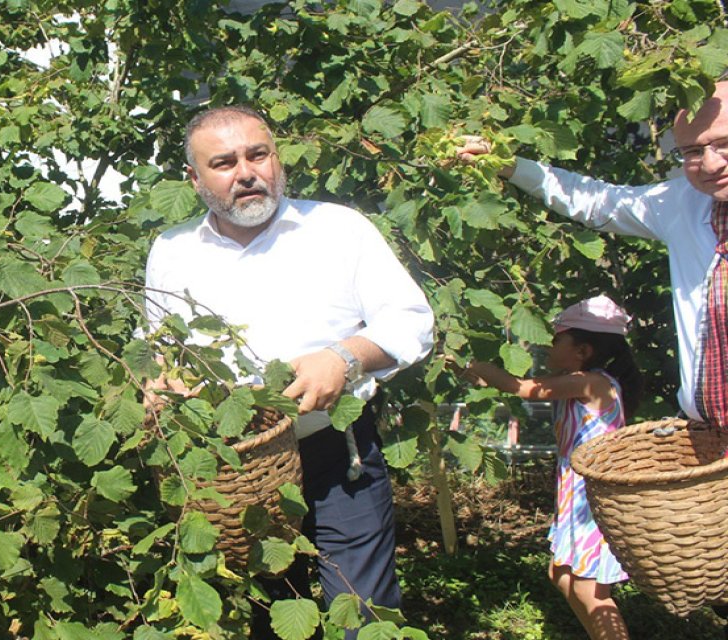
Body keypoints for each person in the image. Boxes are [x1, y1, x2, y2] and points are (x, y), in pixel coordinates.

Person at [144, 106, 435, 637]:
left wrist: (344, 357)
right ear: (194, 178)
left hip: (338, 456)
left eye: (258, 155)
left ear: (276, 158)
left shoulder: (338, 229)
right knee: (269, 615)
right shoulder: (172, 250)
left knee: (364, 613)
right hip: (236, 471)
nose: (246, 173)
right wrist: (159, 381)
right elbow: (161, 348)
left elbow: (412, 320)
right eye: (224, 163)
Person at [455, 80, 728, 428]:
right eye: (692, 151)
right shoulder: (682, 204)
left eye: (723, 144)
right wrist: (504, 163)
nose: (710, 164)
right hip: (712, 436)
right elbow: (597, 201)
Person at [456, 295, 643, 640]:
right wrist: (466, 371)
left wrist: (475, 363)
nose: (547, 344)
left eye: (556, 339)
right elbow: (502, 383)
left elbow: (523, 388)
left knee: (590, 589)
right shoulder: (576, 380)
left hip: (594, 499)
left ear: (582, 351)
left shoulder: (592, 383)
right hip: (576, 493)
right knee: (561, 575)